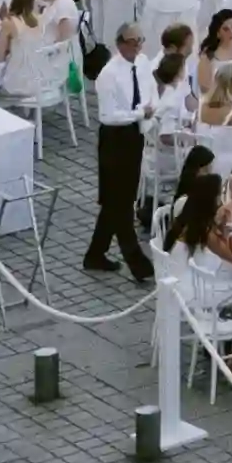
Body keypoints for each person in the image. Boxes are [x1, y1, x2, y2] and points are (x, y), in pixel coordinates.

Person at [82, 22, 157, 281]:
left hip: (135, 134)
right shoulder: (108, 75)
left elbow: (149, 88)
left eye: (140, 40)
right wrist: (139, 113)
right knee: (120, 201)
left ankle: (95, 253)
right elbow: (108, 116)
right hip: (115, 138)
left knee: (117, 199)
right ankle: (139, 265)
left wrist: (149, 112)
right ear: (120, 43)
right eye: (132, 41)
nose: (137, 46)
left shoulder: (143, 63)